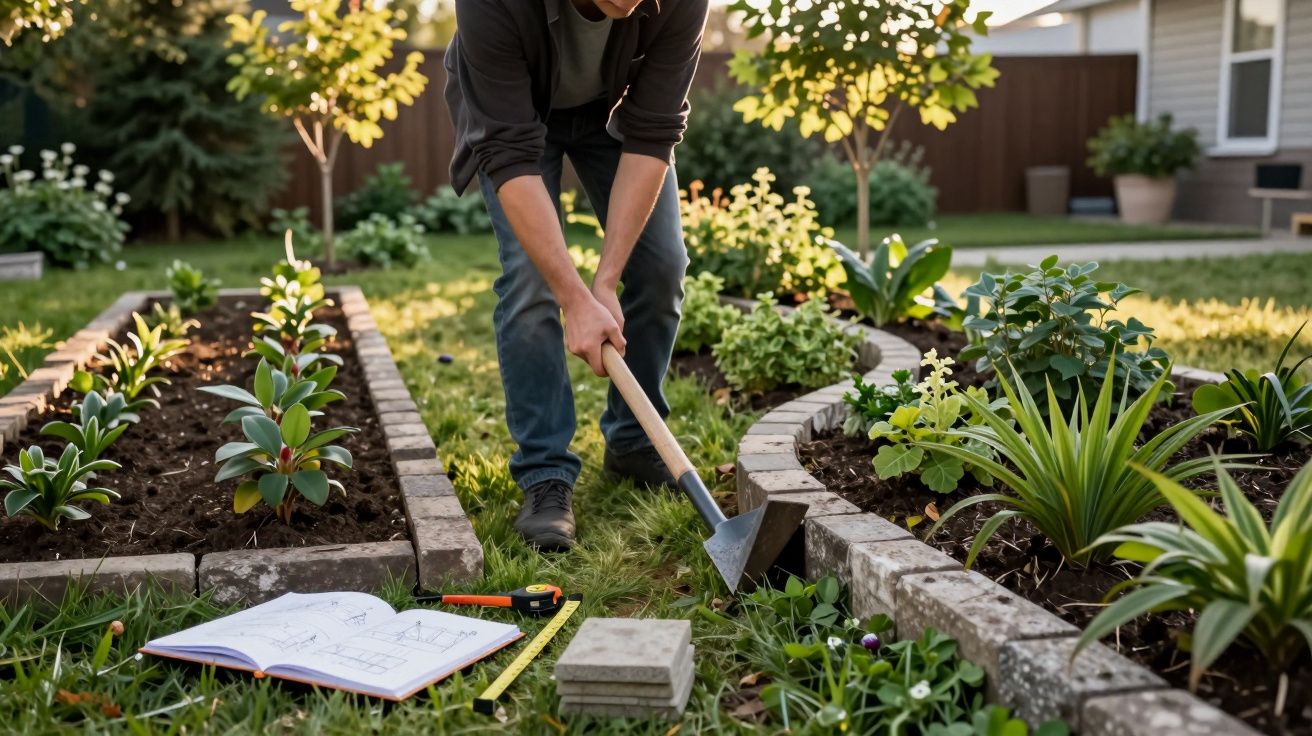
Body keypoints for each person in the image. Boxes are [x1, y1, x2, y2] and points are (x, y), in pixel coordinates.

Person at [444, 0, 709, 550]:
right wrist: (574, 297)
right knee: (529, 281)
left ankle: (635, 442)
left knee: (661, 266)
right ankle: (545, 474)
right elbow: (510, 153)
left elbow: (653, 129)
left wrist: (604, 281)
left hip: (612, 114)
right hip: (515, 116)